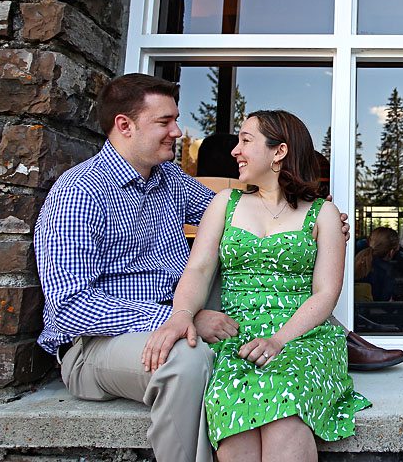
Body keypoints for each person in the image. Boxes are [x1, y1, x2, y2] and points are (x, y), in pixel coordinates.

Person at [33, 74, 394, 462]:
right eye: (165, 122)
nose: (178, 131)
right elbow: (68, 307)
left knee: (258, 265)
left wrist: (320, 226)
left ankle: (325, 338)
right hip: (100, 344)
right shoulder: (79, 192)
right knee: (188, 360)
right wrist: (180, 318)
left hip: (182, 315)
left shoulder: (169, 178)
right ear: (125, 125)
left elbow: (250, 218)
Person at [142, 110, 371, 461]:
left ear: (279, 152)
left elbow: (326, 293)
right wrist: (183, 314)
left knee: (285, 421)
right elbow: (199, 269)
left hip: (302, 338)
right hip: (235, 337)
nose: (235, 150)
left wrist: (279, 340)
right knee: (237, 432)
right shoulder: (224, 204)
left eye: (245, 141)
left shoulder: (323, 214)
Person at [355, 227, 401, 302]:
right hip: (374, 311)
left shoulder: (357, 261)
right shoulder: (386, 269)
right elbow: (386, 304)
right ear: (392, 252)